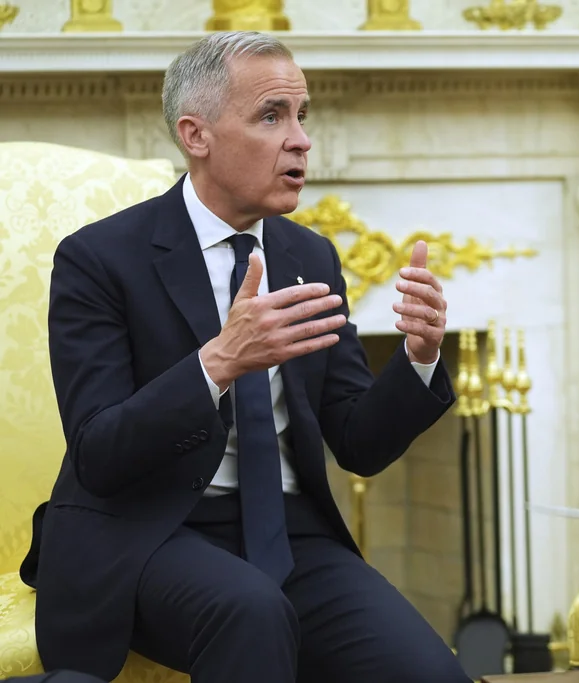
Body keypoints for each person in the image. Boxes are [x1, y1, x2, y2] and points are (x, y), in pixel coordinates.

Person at [20, 31, 471, 683]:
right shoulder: (99, 259)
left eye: (301, 115)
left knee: (431, 673)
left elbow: (357, 442)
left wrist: (419, 357)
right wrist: (218, 363)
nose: (301, 139)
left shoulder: (308, 256)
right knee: (251, 612)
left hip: (291, 534)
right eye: (271, 116)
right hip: (146, 531)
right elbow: (99, 451)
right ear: (195, 135)